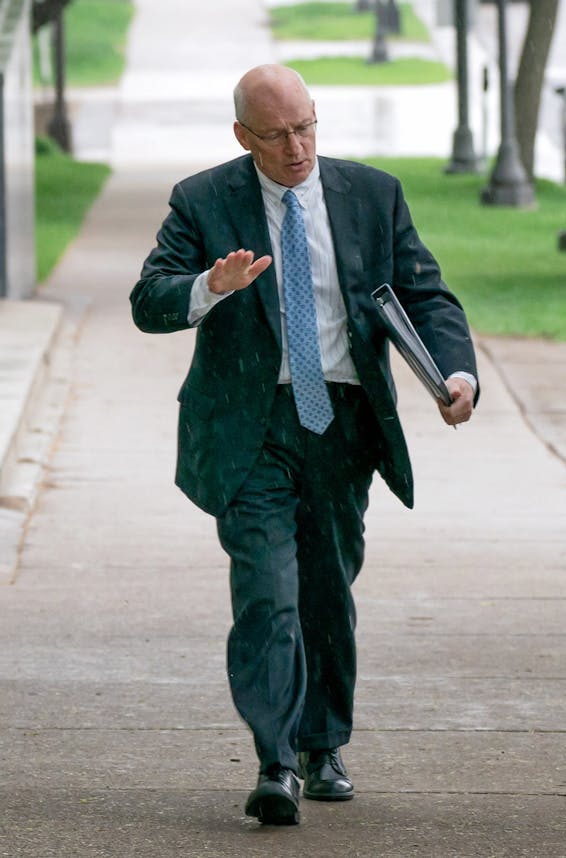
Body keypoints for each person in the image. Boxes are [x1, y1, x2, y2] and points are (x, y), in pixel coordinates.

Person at [130, 64, 477, 827]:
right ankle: (276, 761)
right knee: (268, 590)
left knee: (327, 589)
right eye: (277, 134)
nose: (296, 148)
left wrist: (455, 372)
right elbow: (148, 301)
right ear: (242, 137)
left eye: (306, 127)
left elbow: (425, 293)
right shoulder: (202, 200)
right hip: (252, 430)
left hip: (342, 422)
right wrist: (209, 288)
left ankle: (324, 744)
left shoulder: (371, 194)